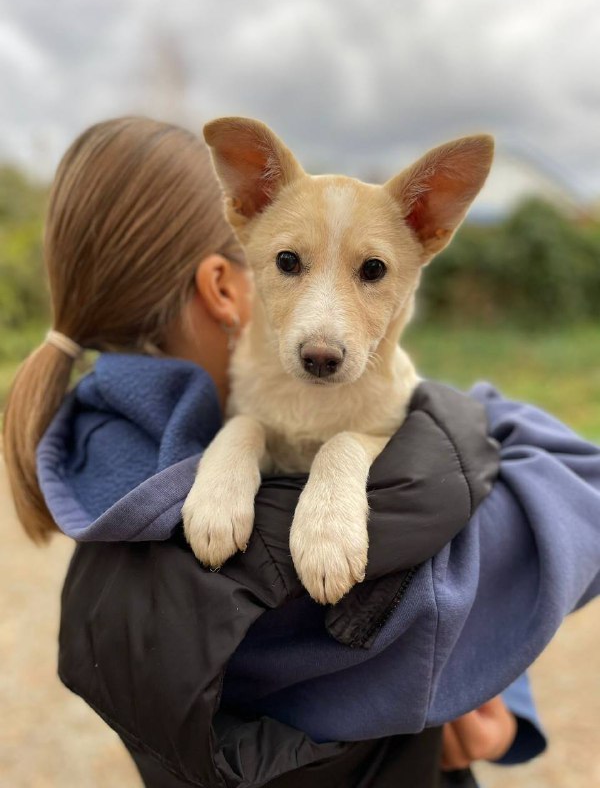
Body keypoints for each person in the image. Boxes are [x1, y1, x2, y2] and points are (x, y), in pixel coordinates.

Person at [3, 117, 598, 787]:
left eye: (371, 271)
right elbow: (567, 503)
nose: (325, 333)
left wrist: (503, 695)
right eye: (288, 264)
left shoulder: (116, 496)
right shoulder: (233, 550)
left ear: (431, 226)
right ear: (228, 280)